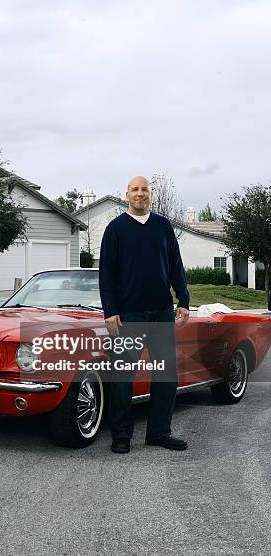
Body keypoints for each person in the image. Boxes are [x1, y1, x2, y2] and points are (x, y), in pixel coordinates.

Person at [99, 175, 190, 454]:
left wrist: (183, 300)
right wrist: (110, 310)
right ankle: (122, 436)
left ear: (151, 195)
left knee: (166, 376)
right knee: (124, 377)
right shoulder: (115, 229)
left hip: (162, 311)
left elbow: (175, 265)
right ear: (127, 194)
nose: (140, 194)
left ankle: (159, 433)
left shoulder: (163, 226)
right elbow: (107, 274)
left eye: (145, 190)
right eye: (135, 189)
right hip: (129, 315)